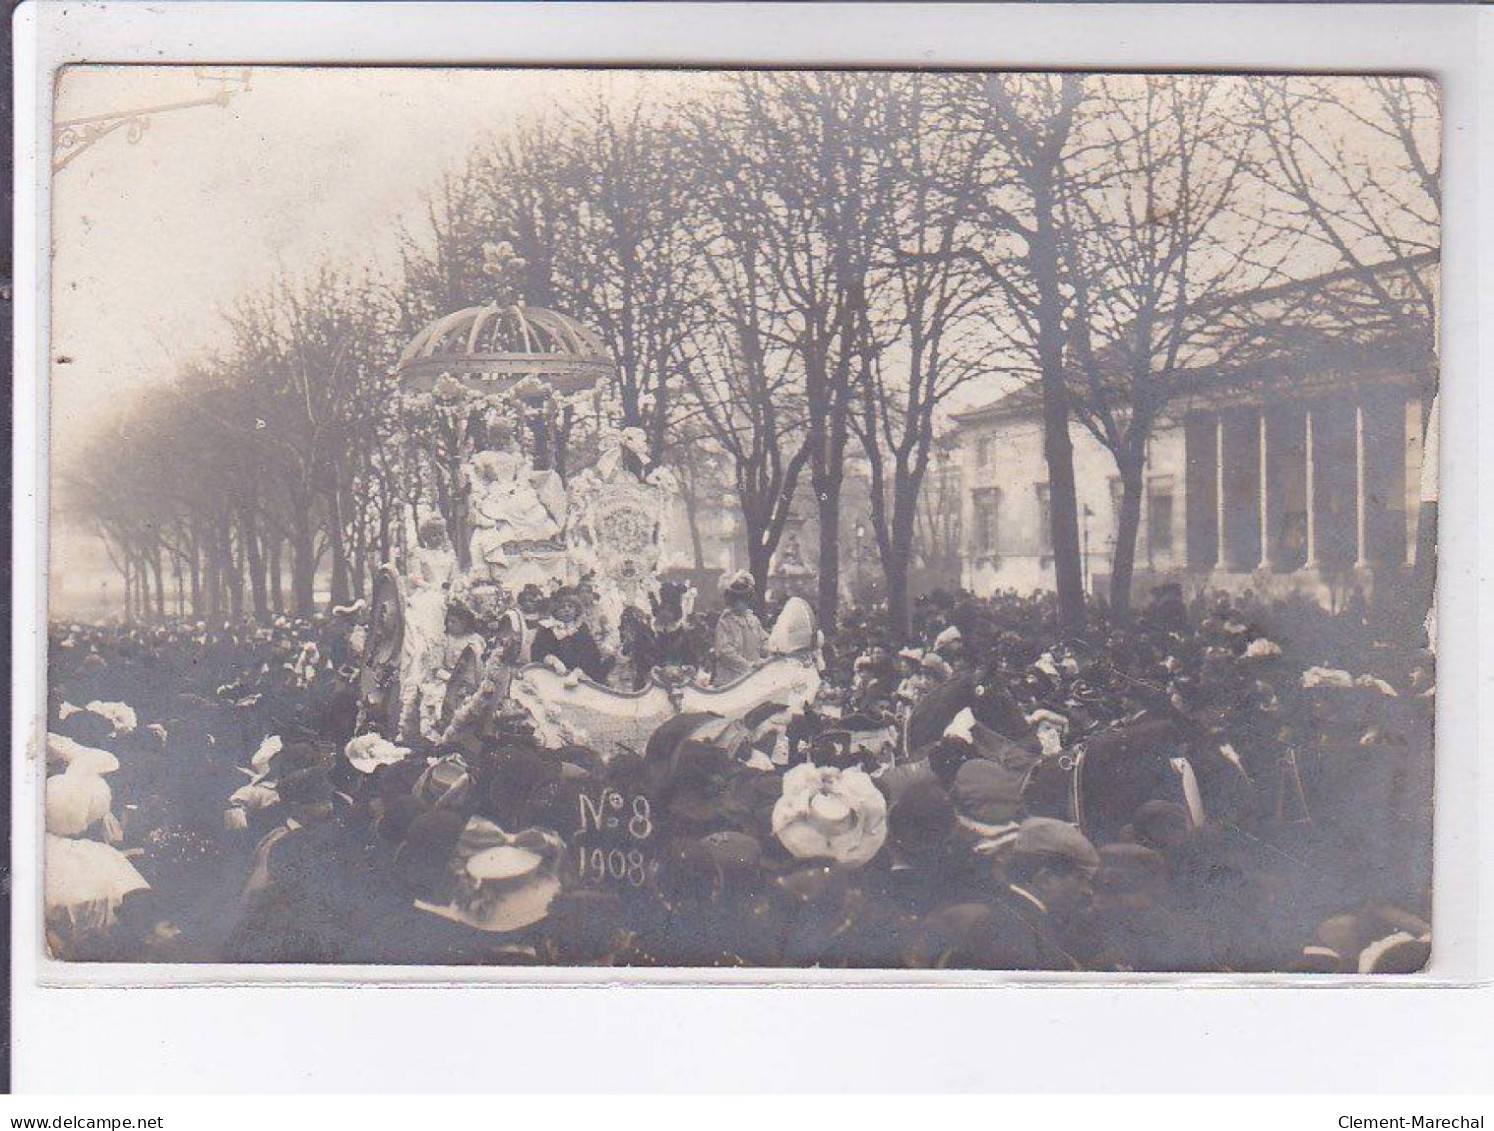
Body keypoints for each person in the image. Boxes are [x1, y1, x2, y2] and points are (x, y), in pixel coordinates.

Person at [713, 571, 767, 685]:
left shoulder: (753, 621)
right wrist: (748, 665)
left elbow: (763, 641)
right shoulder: (725, 622)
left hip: (754, 677)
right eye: (737, 600)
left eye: (744, 600)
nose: (741, 604)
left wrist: (773, 649)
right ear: (731, 601)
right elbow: (725, 652)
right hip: (731, 679)